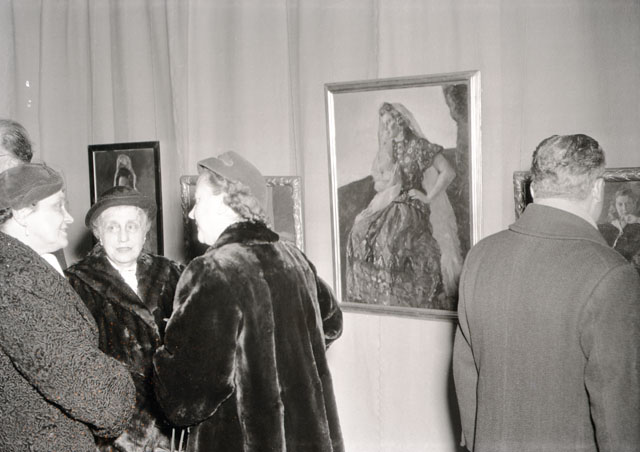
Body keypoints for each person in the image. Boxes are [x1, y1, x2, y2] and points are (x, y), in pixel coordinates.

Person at [453, 134, 640, 451]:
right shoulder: (612, 274)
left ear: (533, 189)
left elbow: (466, 376)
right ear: (597, 189)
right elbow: (619, 421)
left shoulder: (480, 256)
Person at [153, 151, 344, 452]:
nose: (191, 214)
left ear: (224, 203)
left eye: (198, 201)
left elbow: (185, 400)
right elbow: (332, 324)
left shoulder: (213, 270)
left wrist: (163, 355)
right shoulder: (294, 259)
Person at [0, 163, 135, 452]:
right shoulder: (13, 278)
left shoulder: (28, 264)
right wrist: (123, 397)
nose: (69, 217)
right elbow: (79, 379)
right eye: (58, 206)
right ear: (22, 213)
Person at [65, 185, 185, 452]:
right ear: (98, 233)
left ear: (145, 231)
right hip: (112, 434)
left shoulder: (174, 274)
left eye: (132, 226)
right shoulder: (75, 284)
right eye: (112, 227)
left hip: (172, 431)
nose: (123, 236)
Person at [346, 102, 462, 309]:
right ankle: (374, 297)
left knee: (391, 239)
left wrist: (428, 197)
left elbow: (448, 172)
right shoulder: (390, 148)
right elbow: (382, 180)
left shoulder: (419, 146)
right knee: (358, 231)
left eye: (390, 122)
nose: (387, 127)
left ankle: (400, 297)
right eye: (384, 124)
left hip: (411, 205)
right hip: (391, 201)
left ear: (401, 120)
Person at [598, 187, 640, 274]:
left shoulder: (637, 225)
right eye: (620, 204)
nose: (624, 208)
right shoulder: (605, 227)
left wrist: (637, 220)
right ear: (614, 205)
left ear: (634, 204)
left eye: (628, 203)